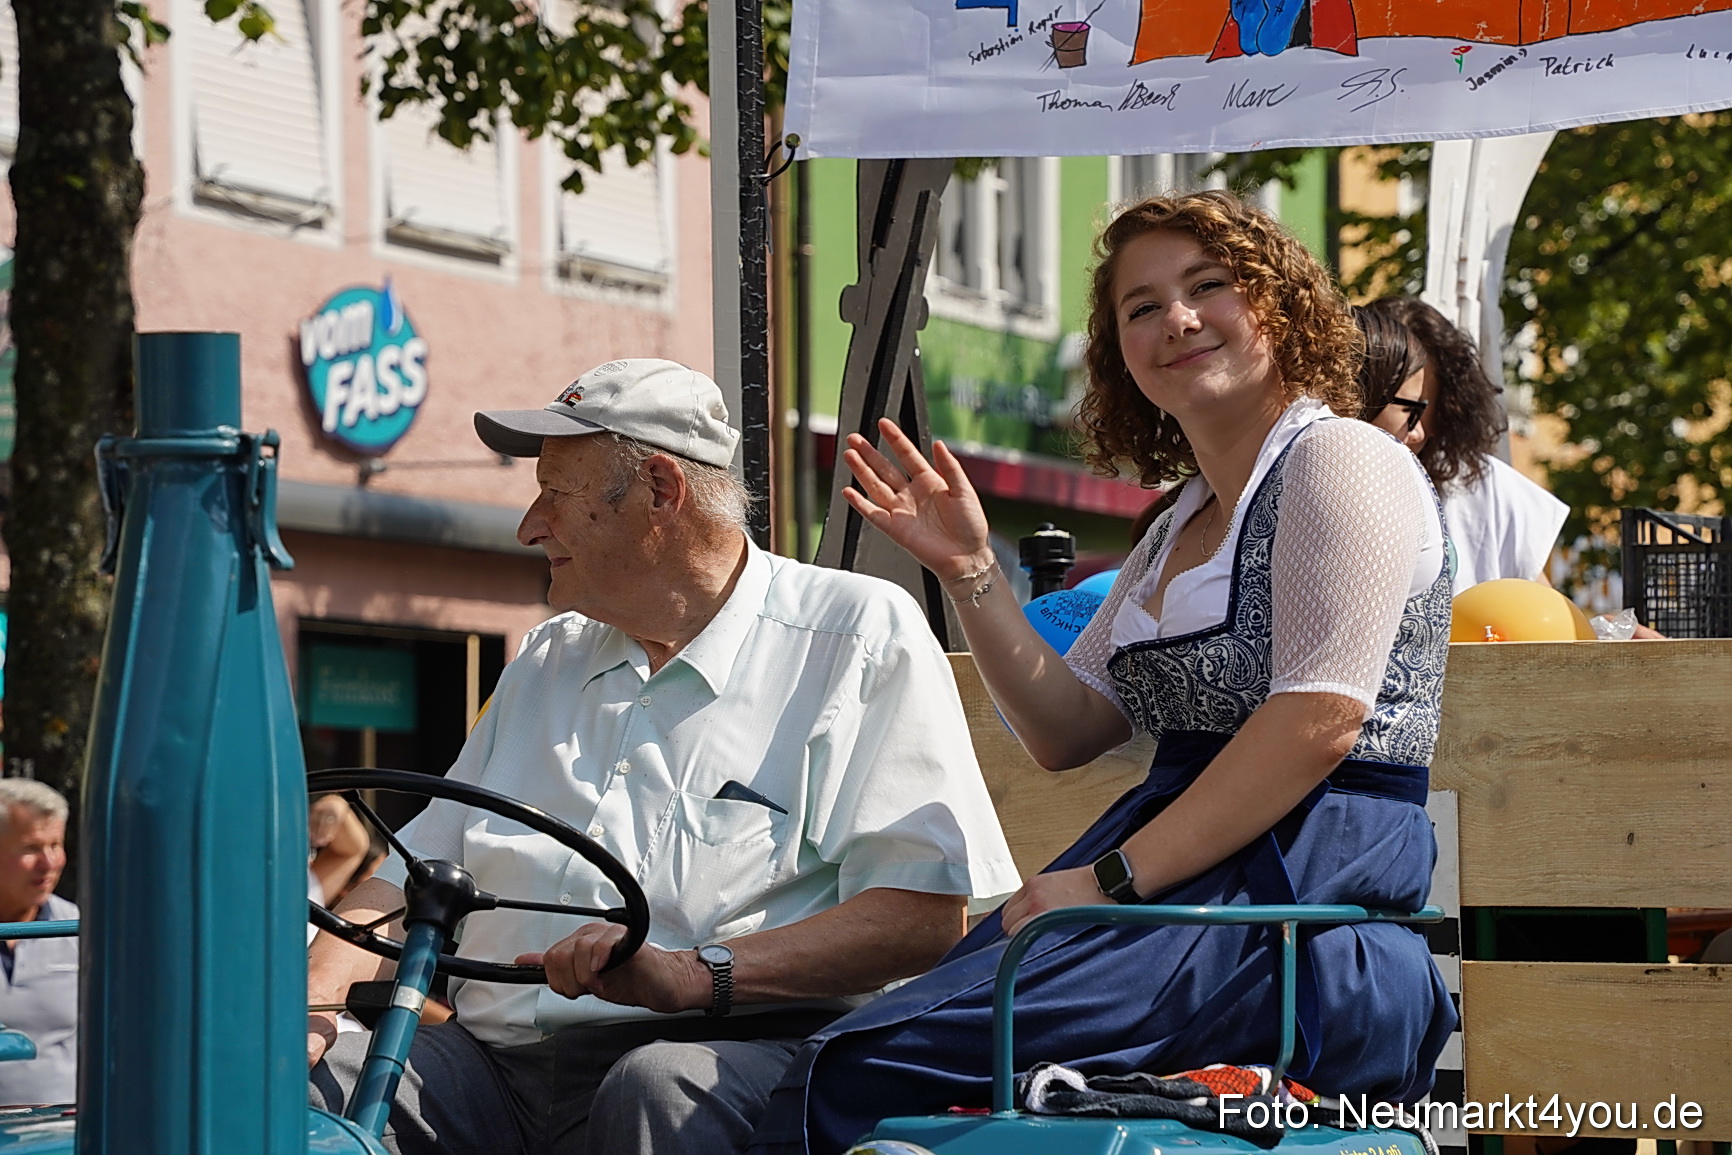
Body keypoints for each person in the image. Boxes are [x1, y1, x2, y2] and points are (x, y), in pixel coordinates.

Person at [748, 191, 1457, 1154]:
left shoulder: (1343, 458)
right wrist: (971, 571)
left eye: (1209, 286)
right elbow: (1066, 727)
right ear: (1121, 353)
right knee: (870, 1053)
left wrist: (1110, 881)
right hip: (1194, 893)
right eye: (1142, 307)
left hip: (1300, 913)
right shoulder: (1178, 523)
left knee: (872, 1066)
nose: (1177, 319)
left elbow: (1321, 716)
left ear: (1281, 305)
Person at [306, 358, 1021, 1155]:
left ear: (659, 490)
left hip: (727, 1052)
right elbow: (416, 867)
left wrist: (691, 973)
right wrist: (311, 997)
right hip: (493, 1069)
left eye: (557, 496)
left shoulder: (853, 635)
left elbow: (920, 917)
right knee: (298, 1083)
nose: (529, 525)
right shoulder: (549, 654)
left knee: (656, 1085)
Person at [1353, 296, 1568, 593]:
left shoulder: (1489, 490)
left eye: (1426, 407)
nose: (1416, 433)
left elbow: (1545, 616)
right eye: (1405, 406)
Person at [0, 779, 77, 1106]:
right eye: (32, 848)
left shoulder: (77, 927)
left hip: (58, 1132)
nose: (49, 863)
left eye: (56, 845)